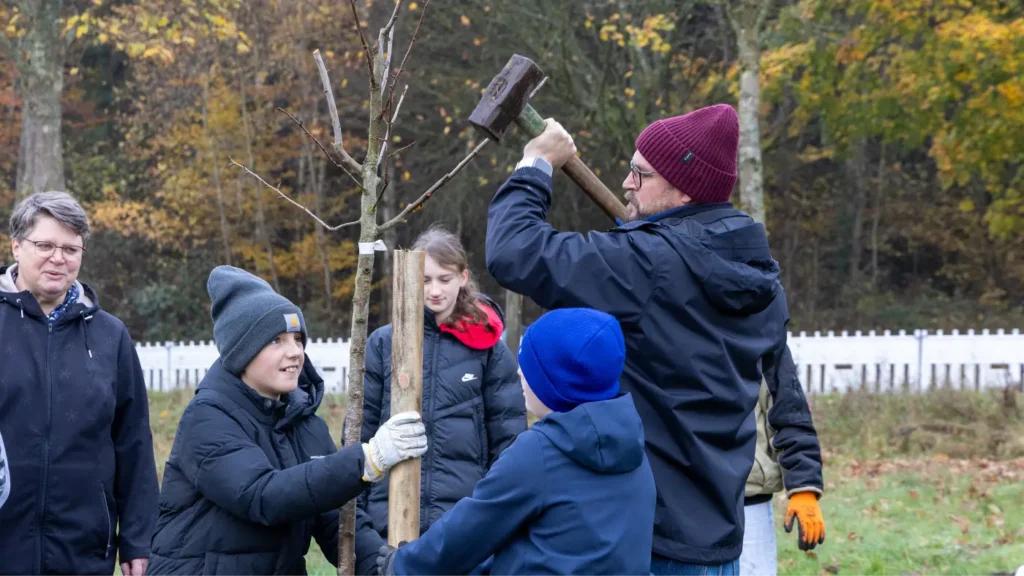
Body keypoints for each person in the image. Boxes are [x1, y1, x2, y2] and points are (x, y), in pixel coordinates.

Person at [484, 104, 823, 574]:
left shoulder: (651, 265)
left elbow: (513, 250)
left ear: (683, 190)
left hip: (648, 541)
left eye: (640, 174)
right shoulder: (759, 274)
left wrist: (537, 162)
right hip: (719, 541)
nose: (627, 183)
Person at [148, 266, 428, 576]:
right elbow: (262, 496)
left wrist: (386, 565)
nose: (295, 352)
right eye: (276, 341)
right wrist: (366, 461)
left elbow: (336, 519)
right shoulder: (207, 418)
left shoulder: (307, 425)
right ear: (242, 351)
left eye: (297, 339)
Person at [376, 307, 656, 576]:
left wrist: (404, 565)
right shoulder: (632, 446)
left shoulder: (540, 452)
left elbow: (470, 531)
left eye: (529, 368)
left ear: (554, 384)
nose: (520, 374)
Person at [0, 192, 158, 576]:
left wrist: (139, 539)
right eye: (45, 245)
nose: (59, 258)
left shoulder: (111, 336)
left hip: (84, 548)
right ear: (16, 246)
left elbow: (133, 441)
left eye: (71, 248)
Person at [360, 226, 526, 539]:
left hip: (462, 522)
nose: (435, 290)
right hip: (388, 520)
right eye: (425, 279)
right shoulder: (384, 343)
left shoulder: (489, 348)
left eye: (444, 279)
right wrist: (363, 514)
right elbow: (361, 433)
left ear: (463, 277)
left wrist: (488, 512)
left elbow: (509, 440)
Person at [741, 376, 826, 575]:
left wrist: (803, 485)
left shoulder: (759, 343)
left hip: (749, 502)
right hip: (674, 501)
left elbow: (788, 407)